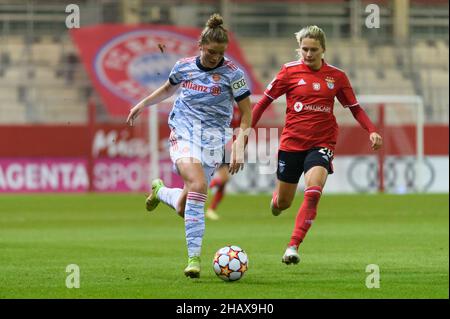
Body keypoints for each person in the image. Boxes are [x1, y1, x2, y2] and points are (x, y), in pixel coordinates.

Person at [126, 14, 252, 278]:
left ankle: (160, 191)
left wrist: (239, 144)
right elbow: (166, 89)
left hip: (213, 141)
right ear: (200, 46)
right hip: (183, 133)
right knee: (198, 185)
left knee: (185, 207)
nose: (215, 57)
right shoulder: (183, 66)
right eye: (210, 51)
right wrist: (141, 104)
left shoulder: (233, 74)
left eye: (220, 53)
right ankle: (194, 259)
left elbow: (246, 113)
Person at [251, 25, 383, 265]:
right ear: (299, 48)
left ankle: (293, 246)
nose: (308, 54)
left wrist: (372, 130)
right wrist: (245, 130)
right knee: (284, 203)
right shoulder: (288, 72)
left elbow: (354, 108)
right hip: (291, 143)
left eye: (313, 50)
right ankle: (276, 201)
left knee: (313, 193)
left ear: (323, 49)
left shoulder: (337, 77)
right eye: (304, 49)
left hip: (321, 143)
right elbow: (262, 103)